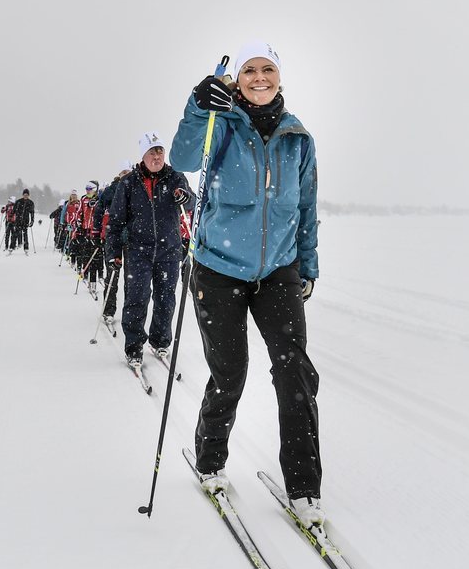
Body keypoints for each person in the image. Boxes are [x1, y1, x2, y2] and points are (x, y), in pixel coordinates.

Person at [170, 41, 322, 526]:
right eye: (249, 70)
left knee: (294, 375)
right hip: (217, 270)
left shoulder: (298, 138)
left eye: (268, 69)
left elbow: (305, 209)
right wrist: (198, 105)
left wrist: (308, 266)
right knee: (230, 373)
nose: (260, 77)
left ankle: (304, 489)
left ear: (280, 77)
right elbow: (183, 156)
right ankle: (211, 460)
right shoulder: (221, 122)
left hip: (278, 271)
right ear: (236, 79)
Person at [107, 134, 194, 364]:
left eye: (160, 152)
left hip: (169, 250)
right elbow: (116, 221)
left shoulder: (175, 178)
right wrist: (113, 251)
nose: (157, 157)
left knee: (166, 299)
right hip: (138, 251)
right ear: (143, 156)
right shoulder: (128, 183)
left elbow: (192, 202)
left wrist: (185, 197)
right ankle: (134, 347)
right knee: (137, 298)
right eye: (152, 153)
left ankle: (160, 341)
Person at [95, 165, 132, 323]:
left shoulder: (136, 187)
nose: (125, 175)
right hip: (114, 237)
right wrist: (98, 230)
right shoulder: (110, 189)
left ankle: (130, 313)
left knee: (132, 279)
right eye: (123, 173)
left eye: (128, 173)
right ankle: (108, 311)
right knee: (112, 276)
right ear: (119, 174)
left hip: (132, 239)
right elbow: (98, 209)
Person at [13, 188, 35, 254]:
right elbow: (13, 211)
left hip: (25, 220)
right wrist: (14, 214)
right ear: (22, 195)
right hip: (18, 220)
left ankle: (26, 248)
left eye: (27, 195)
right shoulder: (18, 201)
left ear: (28, 195)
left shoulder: (30, 202)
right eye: (24, 195)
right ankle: (12, 246)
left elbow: (32, 212)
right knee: (15, 233)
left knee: (25, 234)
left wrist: (32, 220)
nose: (25, 196)